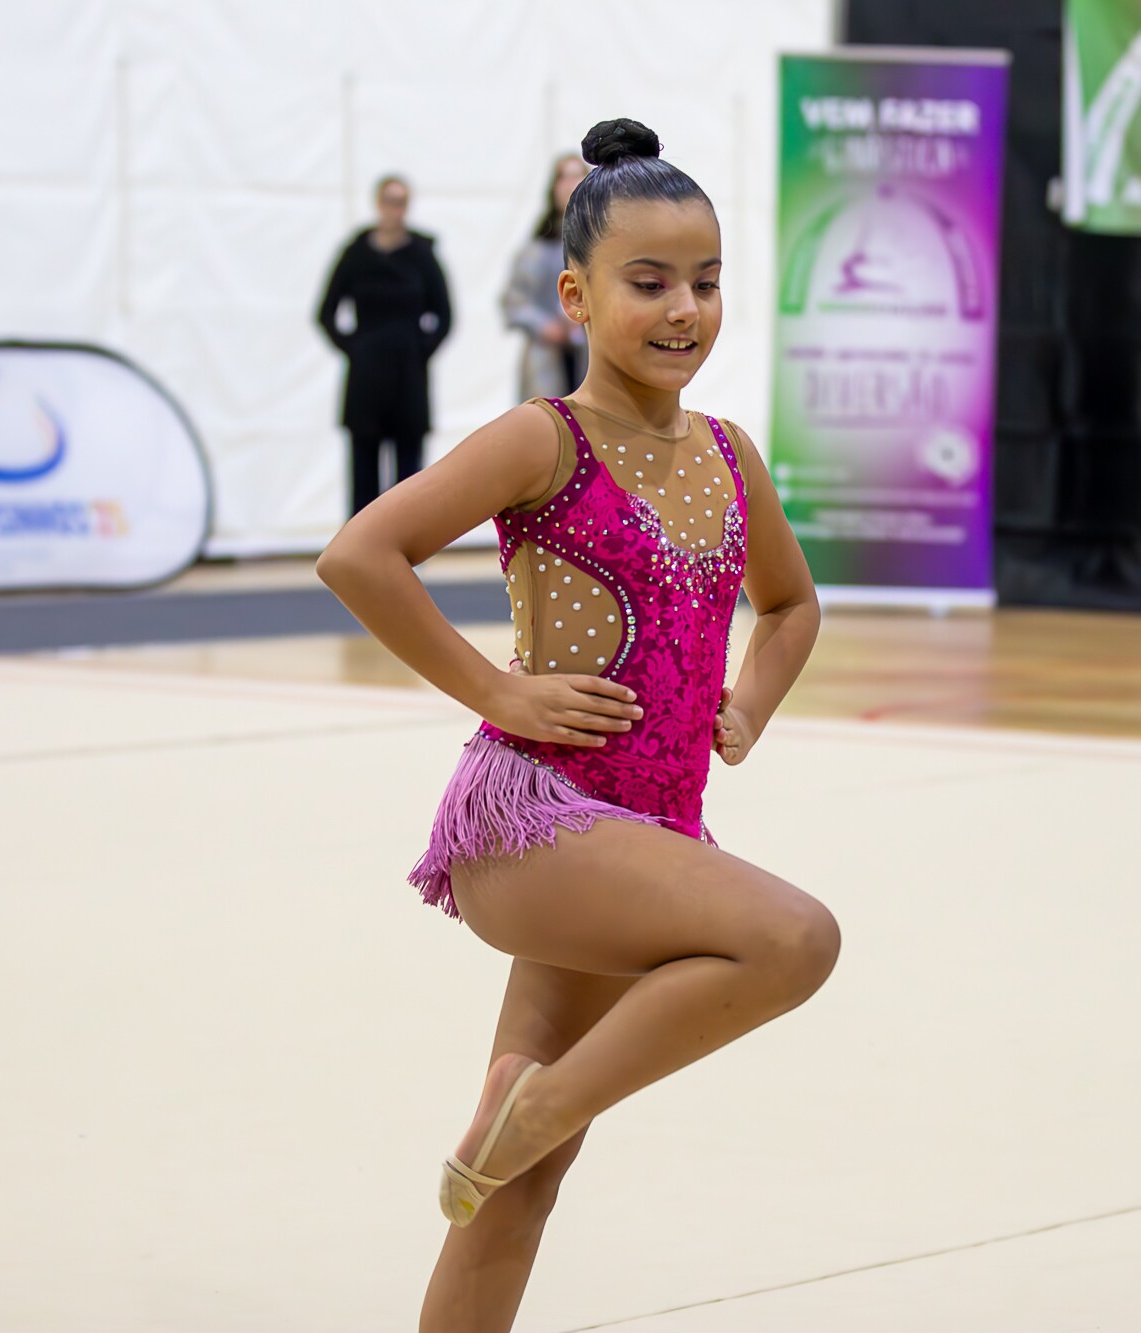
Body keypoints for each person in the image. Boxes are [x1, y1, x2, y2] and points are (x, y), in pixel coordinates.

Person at [315, 119, 835, 1332]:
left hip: (644, 834)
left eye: (705, 282)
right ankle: (539, 1102)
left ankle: (528, 1121)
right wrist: (495, 692)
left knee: (516, 1188)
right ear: (575, 295)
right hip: (535, 822)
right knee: (793, 939)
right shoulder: (542, 437)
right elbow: (360, 553)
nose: (683, 310)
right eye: (647, 282)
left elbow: (791, 604)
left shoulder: (728, 453)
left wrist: (745, 702)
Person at [315, 174, 454, 519]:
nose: (395, 210)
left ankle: (407, 537)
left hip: (408, 374)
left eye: (401, 202)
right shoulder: (356, 253)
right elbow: (326, 312)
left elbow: (444, 315)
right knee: (363, 467)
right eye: (390, 202)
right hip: (366, 375)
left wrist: (419, 350)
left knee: (409, 470)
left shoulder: (422, 254)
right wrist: (355, 348)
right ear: (378, 204)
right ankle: (361, 538)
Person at [501, 154, 590, 399]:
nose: (571, 185)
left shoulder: (603, 243)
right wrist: (545, 326)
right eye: (564, 177)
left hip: (591, 353)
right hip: (548, 357)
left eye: (577, 176)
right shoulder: (538, 248)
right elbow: (514, 301)